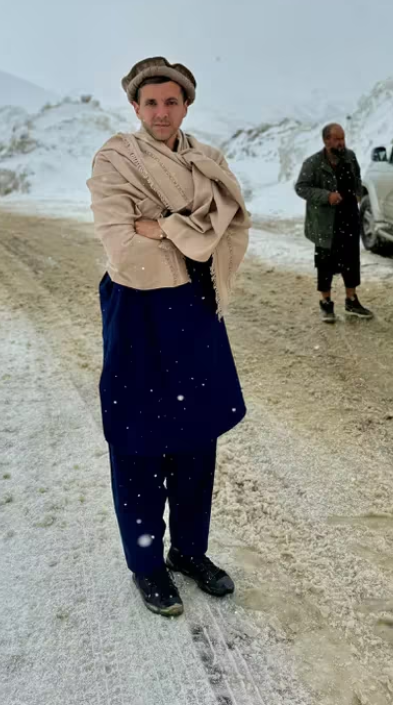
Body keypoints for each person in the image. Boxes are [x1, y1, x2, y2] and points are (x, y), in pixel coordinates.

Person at [87, 56, 251, 617]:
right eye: (151, 102)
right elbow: (124, 249)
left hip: (196, 307)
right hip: (138, 308)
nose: (161, 111)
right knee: (137, 437)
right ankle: (147, 563)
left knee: (196, 435)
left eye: (171, 101)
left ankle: (189, 551)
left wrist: (160, 222)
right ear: (135, 107)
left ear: (186, 106)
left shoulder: (209, 161)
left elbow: (229, 224)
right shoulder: (115, 160)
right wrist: (191, 228)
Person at [294, 123, 373, 322]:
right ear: (326, 140)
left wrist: (357, 194)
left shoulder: (350, 156)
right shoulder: (313, 163)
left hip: (349, 217)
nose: (341, 143)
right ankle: (326, 303)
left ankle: (351, 299)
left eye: (343, 138)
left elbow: (357, 177)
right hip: (325, 222)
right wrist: (326, 196)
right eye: (337, 139)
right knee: (325, 262)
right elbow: (301, 188)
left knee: (351, 259)